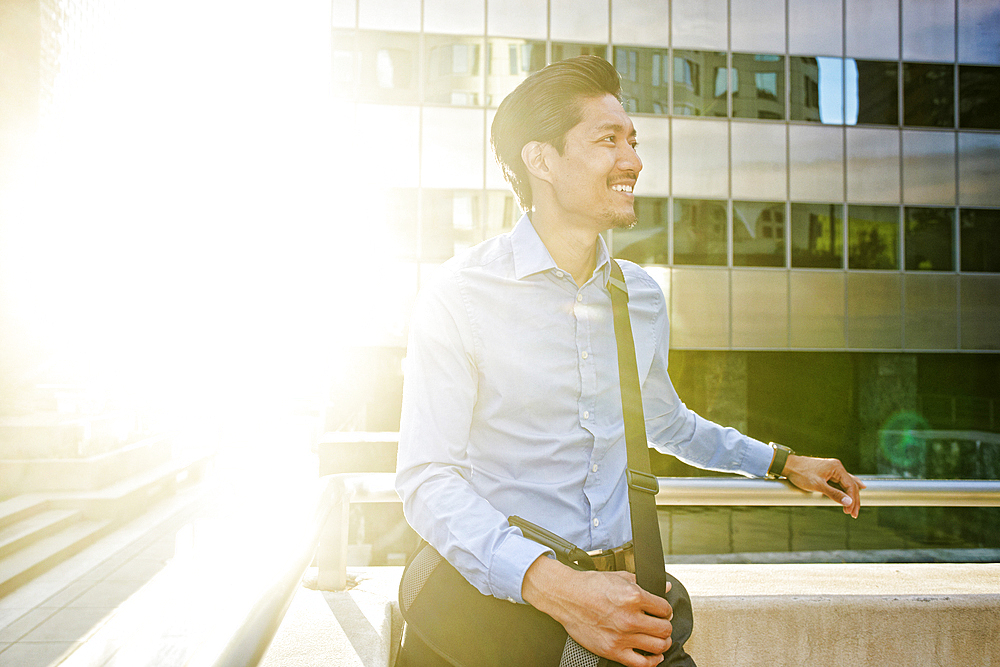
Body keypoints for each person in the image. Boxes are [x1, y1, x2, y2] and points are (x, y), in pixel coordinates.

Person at [395, 55, 865, 667]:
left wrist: (782, 462)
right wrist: (557, 588)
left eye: (632, 141)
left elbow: (666, 423)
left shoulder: (638, 295)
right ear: (541, 160)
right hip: (494, 618)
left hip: (625, 607)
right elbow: (427, 478)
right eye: (607, 139)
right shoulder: (459, 294)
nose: (633, 160)